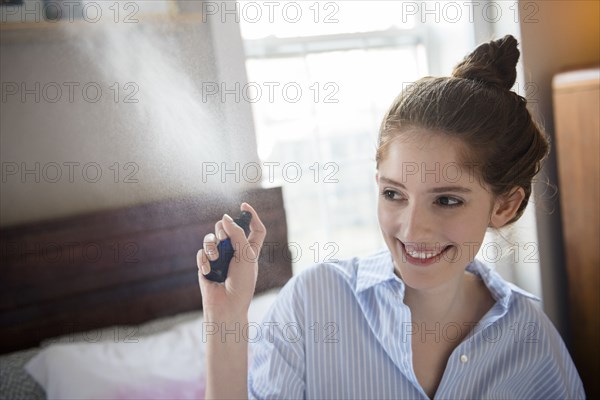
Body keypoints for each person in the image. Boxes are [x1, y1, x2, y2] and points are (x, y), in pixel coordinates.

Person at [197, 35, 585, 399]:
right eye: (394, 194)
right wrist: (225, 318)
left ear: (504, 206)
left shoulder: (532, 339)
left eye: (447, 200)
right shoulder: (313, 303)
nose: (412, 228)